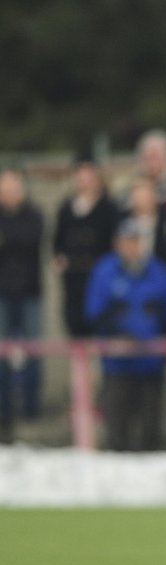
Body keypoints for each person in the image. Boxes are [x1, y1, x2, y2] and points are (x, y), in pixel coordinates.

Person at [83, 219, 166, 451]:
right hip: (117, 363)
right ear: (117, 243)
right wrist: (115, 325)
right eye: (127, 241)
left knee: (150, 425)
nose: (132, 247)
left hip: (151, 362)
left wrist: (160, 323)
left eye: (136, 241)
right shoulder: (105, 270)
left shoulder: (158, 271)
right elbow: (93, 312)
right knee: (117, 425)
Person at [53, 152, 120, 336]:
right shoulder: (66, 208)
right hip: (74, 279)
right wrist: (60, 259)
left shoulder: (108, 207)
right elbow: (58, 241)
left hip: (99, 278)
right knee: (76, 329)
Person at [0, 168, 45, 441]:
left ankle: (31, 406)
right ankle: (3, 407)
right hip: (2, 294)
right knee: (2, 354)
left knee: (34, 351)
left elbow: (29, 241)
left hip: (29, 293)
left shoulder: (35, 215)